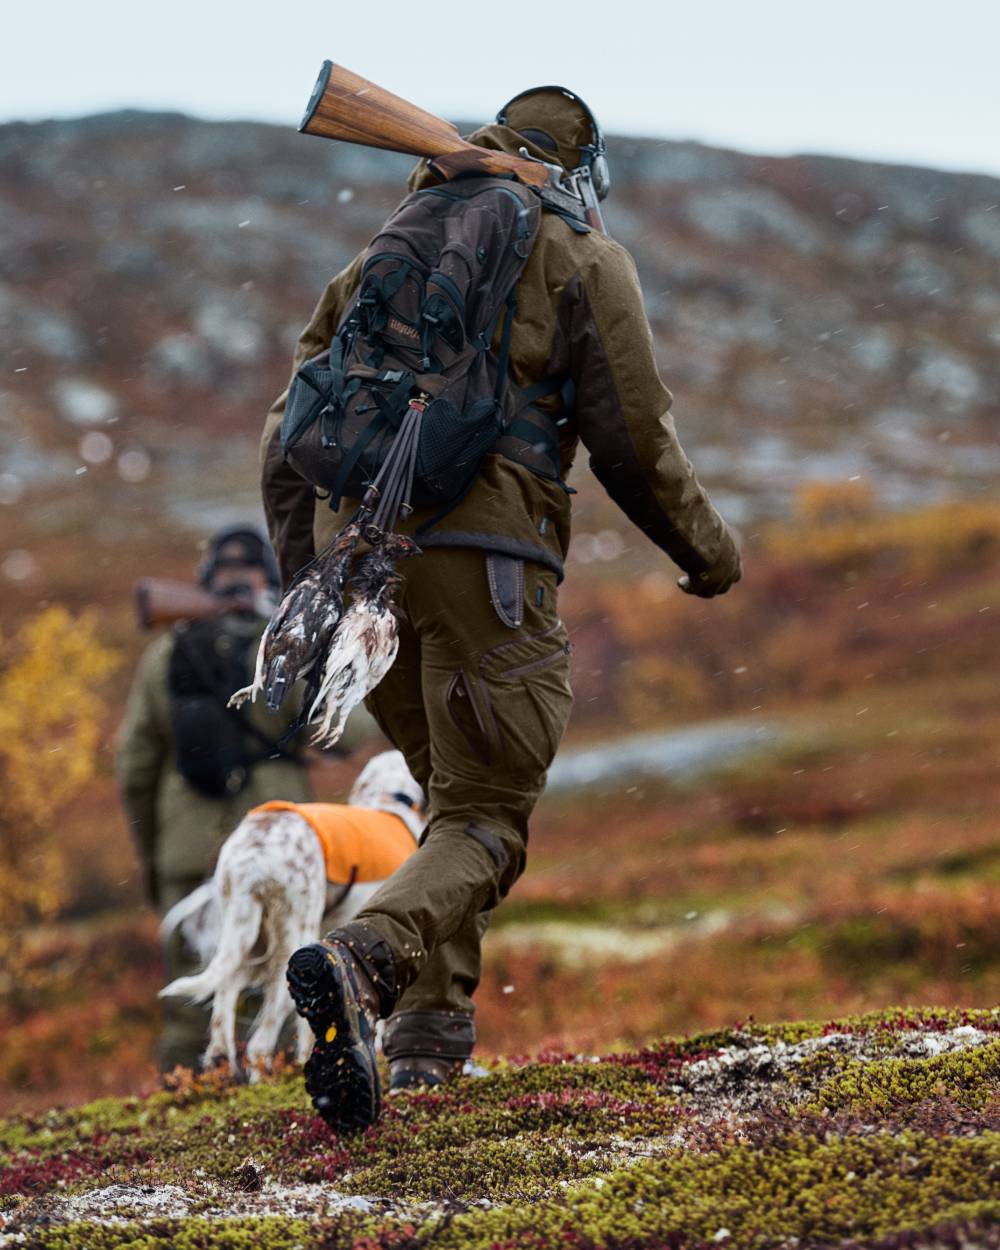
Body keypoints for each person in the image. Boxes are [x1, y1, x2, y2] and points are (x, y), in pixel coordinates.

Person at [261, 87, 742, 1129]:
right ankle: (362, 957)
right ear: (578, 171)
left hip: (364, 581)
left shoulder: (380, 254)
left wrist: (312, 576)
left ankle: (426, 1048)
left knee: (447, 806)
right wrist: (708, 555)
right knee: (484, 818)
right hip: (490, 571)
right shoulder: (582, 256)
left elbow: (284, 430)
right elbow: (632, 439)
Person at [116, 526, 316, 1070]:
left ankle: (173, 1142)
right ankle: (280, 1139)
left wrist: (158, 860)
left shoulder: (165, 655)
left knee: (188, 1014)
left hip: (187, 854)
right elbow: (343, 729)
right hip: (274, 849)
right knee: (275, 999)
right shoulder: (285, 646)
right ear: (268, 583)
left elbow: (135, 767)